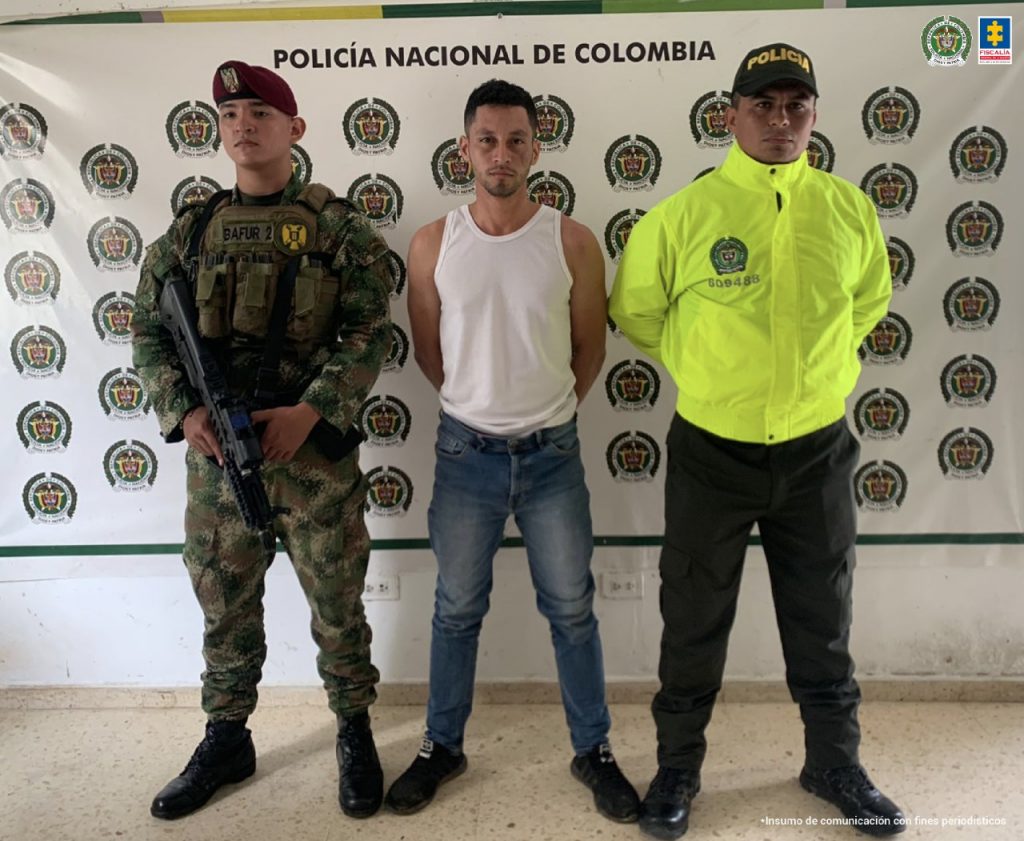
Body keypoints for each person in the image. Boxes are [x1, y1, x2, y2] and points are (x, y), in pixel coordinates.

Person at [609, 44, 905, 839]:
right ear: (729, 115)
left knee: (823, 615)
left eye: (796, 106)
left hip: (816, 450)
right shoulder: (683, 215)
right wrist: (704, 367)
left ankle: (833, 761)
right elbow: (637, 311)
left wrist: (813, 371)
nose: (781, 120)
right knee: (693, 616)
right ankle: (678, 766)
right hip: (713, 449)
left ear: (813, 114)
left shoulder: (848, 208)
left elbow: (869, 301)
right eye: (763, 105)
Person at [132, 60, 393, 821]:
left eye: (260, 113)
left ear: (295, 129)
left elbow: (371, 328)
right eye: (229, 115)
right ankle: (226, 735)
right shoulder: (191, 230)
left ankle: (353, 727)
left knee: (338, 602)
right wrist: (185, 412)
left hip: (311, 458)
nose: (242, 126)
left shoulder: (338, 227)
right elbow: (148, 326)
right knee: (223, 602)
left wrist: (310, 411)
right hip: (220, 459)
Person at [384, 79, 640, 823]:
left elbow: (589, 349)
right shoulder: (434, 242)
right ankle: (441, 744)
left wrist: (544, 413)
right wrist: (482, 410)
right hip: (465, 457)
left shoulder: (573, 240)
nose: (502, 154)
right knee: (456, 608)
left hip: (553, 457)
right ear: (465, 148)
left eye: (516, 140)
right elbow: (432, 356)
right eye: (487, 140)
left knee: (572, 609)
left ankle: (592, 749)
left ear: (537, 147)